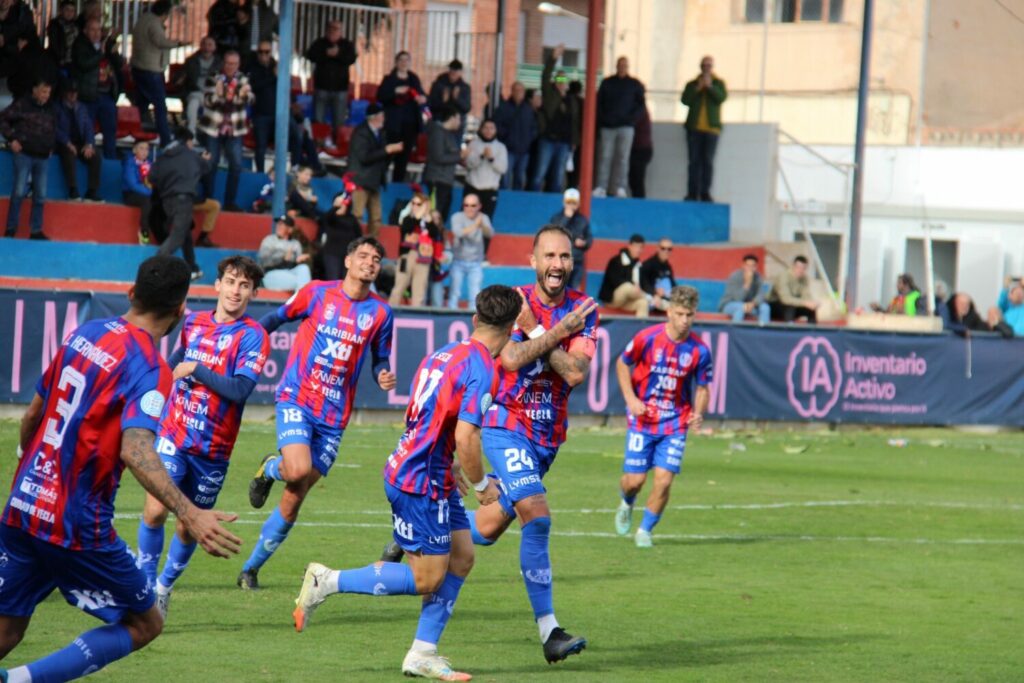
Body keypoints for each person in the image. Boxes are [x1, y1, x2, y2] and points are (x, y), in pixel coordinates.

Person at [0, 255, 240, 683]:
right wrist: (190, 512)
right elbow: (136, 447)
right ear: (181, 309)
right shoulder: (149, 366)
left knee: (7, 627)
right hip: (76, 522)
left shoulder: (85, 333)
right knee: (146, 623)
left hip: (23, 504)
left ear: (131, 293)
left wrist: (29, 468)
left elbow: (32, 415)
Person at [291, 285, 520, 680]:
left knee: (463, 558)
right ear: (513, 327)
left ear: (475, 319)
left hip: (427, 470)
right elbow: (467, 436)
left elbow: (422, 414)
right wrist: (482, 486)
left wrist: (446, 463)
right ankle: (327, 581)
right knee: (426, 577)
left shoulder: (443, 354)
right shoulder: (483, 368)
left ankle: (422, 653)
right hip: (418, 481)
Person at [462, 225, 597, 664]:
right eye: (550, 256)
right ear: (533, 260)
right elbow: (512, 358)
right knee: (536, 519)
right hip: (505, 422)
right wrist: (552, 330)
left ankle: (422, 523)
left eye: (565, 257)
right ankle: (550, 632)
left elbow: (575, 373)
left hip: (546, 437)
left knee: (485, 529)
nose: (558, 264)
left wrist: (540, 331)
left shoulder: (584, 309)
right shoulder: (513, 302)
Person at [239, 237, 396, 589]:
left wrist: (382, 373)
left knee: (295, 496)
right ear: (348, 261)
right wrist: (247, 340)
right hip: (298, 398)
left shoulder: (381, 314)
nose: (370, 262)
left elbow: (380, 358)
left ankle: (250, 569)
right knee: (296, 468)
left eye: (376, 258)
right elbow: (276, 318)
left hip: (334, 417)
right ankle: (270, 467)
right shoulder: (316, 293)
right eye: (364, 256)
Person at [136, 256, 269, 618]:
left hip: (213, 449)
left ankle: (164, 587)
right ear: (217, 285)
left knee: (188, 525)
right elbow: (172, 364)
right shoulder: (192, 322)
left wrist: (197, 368)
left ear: (253, 293)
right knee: (155, 509)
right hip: (173, 434)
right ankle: (145, 589)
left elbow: (240, 389)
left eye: (244, 285)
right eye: (230, 281)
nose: (235, 290)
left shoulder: (253, 336)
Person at [614, 285, 713, 548]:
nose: (684, 320)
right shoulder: (647, 337)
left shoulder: (700, 351)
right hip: (643, 419)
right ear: (668, 311)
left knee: (664, 479)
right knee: (635, 481)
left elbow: (703, 387)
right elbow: (622, 363)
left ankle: (645, 530)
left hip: (675, 422)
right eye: (679, 313)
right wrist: (631, 399)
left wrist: (698, 414)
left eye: (689, 315)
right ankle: (627, 501)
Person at [150, 127, 211, 279]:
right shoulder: (191, 155)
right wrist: (205, 159)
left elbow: (152, 177)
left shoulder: (163, 156)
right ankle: (154, 268)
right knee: (178, 236)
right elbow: (206, 168)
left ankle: (192, 267)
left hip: (166, 201)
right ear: (188, 141)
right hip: (184, 199)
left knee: (185, 234)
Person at [198, 49, 253, 212]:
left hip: (235, 129)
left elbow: (250, 99)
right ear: (223, 63)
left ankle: (230, 202)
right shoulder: (213, 77)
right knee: (210, 163)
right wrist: (219, 95)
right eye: (228, 63)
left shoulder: (243, 78)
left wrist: (241, 96)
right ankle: (207, 199)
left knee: (236, 165)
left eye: (234, 64)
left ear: (239, 64)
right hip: (213, 127)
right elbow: (207, 101)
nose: (231, 67)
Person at [1, 79, 56, 240]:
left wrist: (51, 146)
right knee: (18, 192)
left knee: (40, 195)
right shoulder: (22, 104)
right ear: (35, 91)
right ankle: (10, 229)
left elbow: (54, 128)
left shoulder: (50, 108)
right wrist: (11, 139)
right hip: (24, 154)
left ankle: (36, 230)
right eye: (43, 92)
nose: (46, 96)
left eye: (48, 92)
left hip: (43, 156)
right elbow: (3, 119)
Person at [130, 0, 186, 148]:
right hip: (152, 69)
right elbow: (160, 42)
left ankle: (139, 135)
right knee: (160, 105)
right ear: (165, 13)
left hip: (138, 66)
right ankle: (165, 139)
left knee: (142, 103)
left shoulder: (142, 19)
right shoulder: (154, 23)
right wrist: (177, 43)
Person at [348, 103, 403, 237]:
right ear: (374, 117)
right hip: (360, 181)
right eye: (382, 116)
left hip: (374, 181)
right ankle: (352, 244)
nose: (384, 119)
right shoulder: (361, 133)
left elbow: (383, 158)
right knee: (357, 215)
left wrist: (391, 152)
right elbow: (364, 157)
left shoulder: (381, 134)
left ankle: (372, 247)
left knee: (376, 218)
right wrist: (386, 150)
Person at [531, 45, 580, 193]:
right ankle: (533, 201)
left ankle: (553, 204)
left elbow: (574, 122)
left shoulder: (571, 100)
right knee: (539, 175)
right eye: (558, 78)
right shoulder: (549, 93)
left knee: (558, 177)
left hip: (564, 142)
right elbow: (545, 75)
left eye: (563, 79)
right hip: (548, 139)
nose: (560, 81)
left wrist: (574, 141)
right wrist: (553, 58)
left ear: (566, 82)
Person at [70, 17, 121, 160]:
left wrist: (114, 51)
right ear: (85, 31)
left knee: (110, 130)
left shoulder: (106, 45)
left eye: (99, 29)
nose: (96, 33)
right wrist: (101, 53)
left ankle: (110, 159)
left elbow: (119, 64)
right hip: (89, 96)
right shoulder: (80, 45)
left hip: (107, 95)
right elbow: (84, 64)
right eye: (92, 29)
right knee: (87, 131)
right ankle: (89, 160)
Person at [594, 56, 645, 198]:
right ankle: (601, 187)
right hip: (607, 127)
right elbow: (598, 104)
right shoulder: (607, 83)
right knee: (604, 157)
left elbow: (641, 106)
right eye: (620, 65)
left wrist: (631, 120)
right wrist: (604, 119)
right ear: (616, 66)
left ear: (628, 67)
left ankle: (620, 188)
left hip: (626, 127)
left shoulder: (635, 84)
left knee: (623, 158)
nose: (622, 67)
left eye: (624, 65)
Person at [681, 56, 727, 202]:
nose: (706, 67)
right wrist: (698, 88)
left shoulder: (718, 83)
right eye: (704, 65)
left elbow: (721, 98)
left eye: (709, 65)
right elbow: (685, 100)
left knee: (707, 161)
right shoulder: (692, 84)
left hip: (711, 129)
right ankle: (692, 193)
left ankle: (705, 192)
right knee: (693, 161)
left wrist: (710, 87)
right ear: (700, 66)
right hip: (694, 129)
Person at [305, 20, 356, 146]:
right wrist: (325, 53)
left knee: (339, 121)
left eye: (336, 28)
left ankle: (337, 145)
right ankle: (318, 146)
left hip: (340, 89)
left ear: (341, 30)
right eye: (331, 28)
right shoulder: (320, 43)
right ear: (327, 30)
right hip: (321, 88)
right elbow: (310, 55)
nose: (333, 31)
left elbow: (351, 59)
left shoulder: (346, 44)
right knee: (318, 120)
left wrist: (338, 54)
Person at [378, 50, 426, 183]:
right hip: (393, 125)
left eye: (407, 60)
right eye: (401, 60)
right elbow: (381, 97)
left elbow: (421, 95)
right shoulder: (389, 79)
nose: (404, 63)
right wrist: (395, 92)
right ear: (396, 62)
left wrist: (421, 98)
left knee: (403, 159)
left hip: (409, 125)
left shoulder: (413, 79)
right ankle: (380, 183)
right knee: (387, 156)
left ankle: (397, 186)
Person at [389, 191, 442, 307]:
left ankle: (417, 316)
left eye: (419, 204)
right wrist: (419, 215)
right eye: (413, 203)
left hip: (423, 258)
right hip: (407, 257)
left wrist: (427, 217)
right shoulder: (407, 218)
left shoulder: (428, 221)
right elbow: (406, 228)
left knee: (419, 292)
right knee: (399, 287)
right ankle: (391, 313)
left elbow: (435, 233)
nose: (415, 206)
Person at [54, 80, 102, 203]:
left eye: (75, 93)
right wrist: (67, 143)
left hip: (80, 142)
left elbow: (88, 127)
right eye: (70, 93)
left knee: (96, 155)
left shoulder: (82, 108)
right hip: (63, 143)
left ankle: (91, 191)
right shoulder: (57, 107)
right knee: (69, 154)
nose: (73, 95)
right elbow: (55, 129)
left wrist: (89, 144)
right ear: (65, 93)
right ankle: (73, 190)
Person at [448, 192, 494, 310]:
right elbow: (458, 233)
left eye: (473, 205)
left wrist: (482, 225)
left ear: (479, 206)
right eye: (466, 205)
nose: (469, 208)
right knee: (454, 294)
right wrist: (475, 225)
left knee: (475, 296)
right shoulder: (457, 217)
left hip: (475, 263)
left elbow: (490, 234)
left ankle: (473, 322)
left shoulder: (483, 218)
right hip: (458, 261)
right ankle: (449, 320)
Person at [422, 105, 465, 220]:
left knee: (442, 214)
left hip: (446, 180)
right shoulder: (438, 132)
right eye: (459, 119)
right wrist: (459, 156)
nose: (460, 122)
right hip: (437, 179)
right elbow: (438, 157)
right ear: (452, 118)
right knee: (434, 213)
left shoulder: (449, 134)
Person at [495, 80, 538, 190]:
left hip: (524, 150)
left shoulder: (528, 109)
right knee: (505, 178)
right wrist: (507, 138)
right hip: (508, 149)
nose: (519, 93)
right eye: (516, 90)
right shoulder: (504, 107)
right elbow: (497, 126)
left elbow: (534, 127)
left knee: (519, 178)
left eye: (521, 91)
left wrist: (528, 140)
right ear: (512, 91)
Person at [547, 188, 591, 291]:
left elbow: (589, 238)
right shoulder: (556, 218)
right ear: (564, 202)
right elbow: (554, 234)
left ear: (578, 203)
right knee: (558, 289)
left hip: (577, 261)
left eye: (574, 202)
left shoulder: (583, 220)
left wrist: (584, 243)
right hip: (559, 261)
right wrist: (566, 218)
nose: (571, 205)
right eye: (569, 202)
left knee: (573, 291)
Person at [464, 118, 507, 219]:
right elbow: (469, 164)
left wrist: (491, 158)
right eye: (486, 128)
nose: (488, 131)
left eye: (491, 128)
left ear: (496, 130)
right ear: (481, 129)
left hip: (490, 190)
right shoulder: (474, 144)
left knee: (486, 220)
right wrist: (481, 156)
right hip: (472, 188)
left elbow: (503, 169)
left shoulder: (501, 147)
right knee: (467, 219)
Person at [178, 36, 222, 136]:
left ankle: (211, 134)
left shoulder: (220, 63)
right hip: (195, 92)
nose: (207, 48)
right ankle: (191, 134)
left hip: (212, 93)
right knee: (193, 104)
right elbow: (180, 78)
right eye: (204, 45)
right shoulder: (191, 61)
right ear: (201, 46)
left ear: (214, 48)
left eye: (210, 45)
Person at [598, 234, 649, 318]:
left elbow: (644, 283)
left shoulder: (638, 265)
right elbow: (615, 280)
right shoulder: (616, 260)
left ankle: (641, 329)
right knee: (627, 286)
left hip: (627, 301)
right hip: (612, 299)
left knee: (643, 303)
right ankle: (651, 299)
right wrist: (635, 287)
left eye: (641, 247)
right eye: (636, 247)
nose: (638, 250)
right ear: (629, 246)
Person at [258, 215, 312, 292]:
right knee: (302, 283)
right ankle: (305, 301)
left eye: (282, 225)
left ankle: (302, 299)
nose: (278, 226)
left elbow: (298, 268)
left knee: (304, 268)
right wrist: (283, 258)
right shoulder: (269, 240)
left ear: (290, 229)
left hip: (289, 272)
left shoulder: (295, 244)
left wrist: (297, 262)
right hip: (271, 274)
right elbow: (264, 262)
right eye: (278, 224)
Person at [319, 188, 362, 281]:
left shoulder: (352, 219)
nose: (341, 205)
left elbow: (359, 237)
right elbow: (325, 220)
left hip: (348, 255)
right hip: (331, 254)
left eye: (343, 203)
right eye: (339, 203)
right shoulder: (330, 217)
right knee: (333, 280)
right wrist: (335, 207)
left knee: (347, 281)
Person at [246, 38, 274, 172]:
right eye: (260, 52)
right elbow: (254, 87)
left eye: (266, 52)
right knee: (260, 147)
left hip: (277, 115)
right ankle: (261, 173)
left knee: (297, 136)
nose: (263, 55)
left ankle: (296, 169)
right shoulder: (252, 68)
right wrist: (273, 77)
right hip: (260, 115)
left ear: (271, 52)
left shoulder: (277, 66)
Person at [719, 252, 770, 324]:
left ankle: (763, 333)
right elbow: (738, 298)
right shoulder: (735, 276)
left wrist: (753, 303)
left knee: (765, 307)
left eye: (753, 266)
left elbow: (761, 294)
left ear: (756, 267)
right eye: (748, 265)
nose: (750, 268)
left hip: (750, 305)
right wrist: (747, 284)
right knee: (741, 308)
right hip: (729, 305)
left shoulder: (758, 277)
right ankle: (736, 333)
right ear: (743, 265)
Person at [427, 59, 471, 138]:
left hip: (456, 125)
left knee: (454, 148)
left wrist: (456, 99)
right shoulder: (438, 84)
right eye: (452, 70)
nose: (454, 73)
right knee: (438, 146)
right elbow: (431, 105)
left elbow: (467, 108)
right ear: (449, 70)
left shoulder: (464, 87)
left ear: (460, 72)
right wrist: (443, 101)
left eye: (456, 71)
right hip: (439, 122)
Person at [767, 255, 818, 323]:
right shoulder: (783, 277)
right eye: (798, 267)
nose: (800, 270)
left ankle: (812, 331)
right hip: (775, 305)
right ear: (793, 266)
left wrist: (812, 303)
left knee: (811, 309)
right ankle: (790, 330)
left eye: (803, 268)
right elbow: (785, 299)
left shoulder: (804, 279)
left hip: (792, 305)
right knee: (790, 307)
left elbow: (806, 295)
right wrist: (805, 303)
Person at [123, 140, 155, 243]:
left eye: (147, 149)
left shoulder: (150, 164)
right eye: (141, 148)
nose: (144, 151)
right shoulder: (129, 163)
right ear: (134, 150)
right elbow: (133, 185)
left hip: (148, 192)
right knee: (147, 200)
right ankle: (144, 231)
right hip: (131, 194)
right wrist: (150, 193)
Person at [639, 237, 676, 313]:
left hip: (666, 299)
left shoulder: (668, 267)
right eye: (663, 248)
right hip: (653, 300)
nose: (666, 251)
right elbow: (643, 283)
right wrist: (654, 293)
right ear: (658, 249)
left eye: (669, 249)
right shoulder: (648, 265)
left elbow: (673, 286)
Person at [629, 104, 653, 199]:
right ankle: (638, 199)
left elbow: (633, 123)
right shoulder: (641, 109)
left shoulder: (639, 110)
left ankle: (639, 200)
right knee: (635, 178)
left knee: (637, 178)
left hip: (641, 149)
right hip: (642, 148)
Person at [46, 0, 79, 70]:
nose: (69, 13)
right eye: (67, 10)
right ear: (61, 11)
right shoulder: (55, 25)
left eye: (72, 10)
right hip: (59, 62)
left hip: (74, 62)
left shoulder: (76, 26)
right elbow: (55, 44)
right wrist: (60, 58)